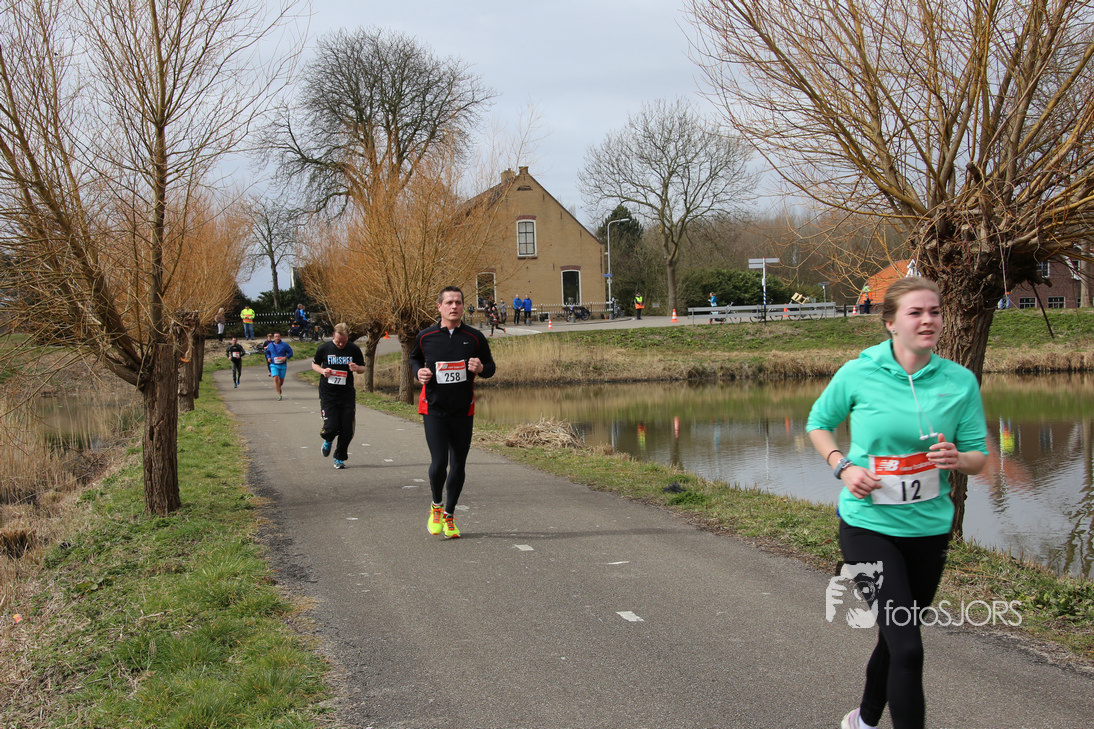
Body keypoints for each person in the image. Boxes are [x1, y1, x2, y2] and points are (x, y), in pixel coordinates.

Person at [805, 277, 987, 729]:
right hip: (868, 526)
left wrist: (957, 458)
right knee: (908, 647)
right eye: (915, 312)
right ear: (890, 323)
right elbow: (818, 424)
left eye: (935, 312)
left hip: (929, 529)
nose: (928, 320)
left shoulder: (959, 382)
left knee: (896, 638)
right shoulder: (858, 373)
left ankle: (863, 721)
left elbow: (978, 457)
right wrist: (844, 467)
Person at [409, 286, 496, 539]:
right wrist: (418, 372)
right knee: (439, 463)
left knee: (458, 465)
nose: (454, 306)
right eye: (449, 302)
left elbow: (490, 366)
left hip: (462, 411)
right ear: (439, 307)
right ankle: (436, 506)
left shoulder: (474, 337)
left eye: (458, 302)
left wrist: (481, 368)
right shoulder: (425, 337)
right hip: (434, 408)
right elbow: (414, 359)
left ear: (463, 306)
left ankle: (449, 515)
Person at [311, 323, 366, 470]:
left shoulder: (353, 349)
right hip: (328, 394)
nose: (341, 344)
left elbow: (363, 368)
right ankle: (328, 440)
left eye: (344, 341)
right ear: (333, 336)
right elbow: (314, 365)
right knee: (331, 428)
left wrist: (356, 368)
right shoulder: (324, 348)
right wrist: (323, 371)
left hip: (346, 395)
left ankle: (339, 458)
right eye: (338, 341)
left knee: (347, 430)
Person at [265, 332, 293, 401]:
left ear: (280, 337)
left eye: (278, 336)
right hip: (273, 365)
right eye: (276, 336)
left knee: (281, 381)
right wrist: (268, 357)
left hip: (282, 365)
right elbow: (267, 352)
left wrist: (285, 357)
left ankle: (279, 387)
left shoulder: (284, 345)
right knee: (275, 378)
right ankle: (279, 395)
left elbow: (291, 353)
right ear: (273, 338)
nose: (277, 338)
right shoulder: (270, 345)